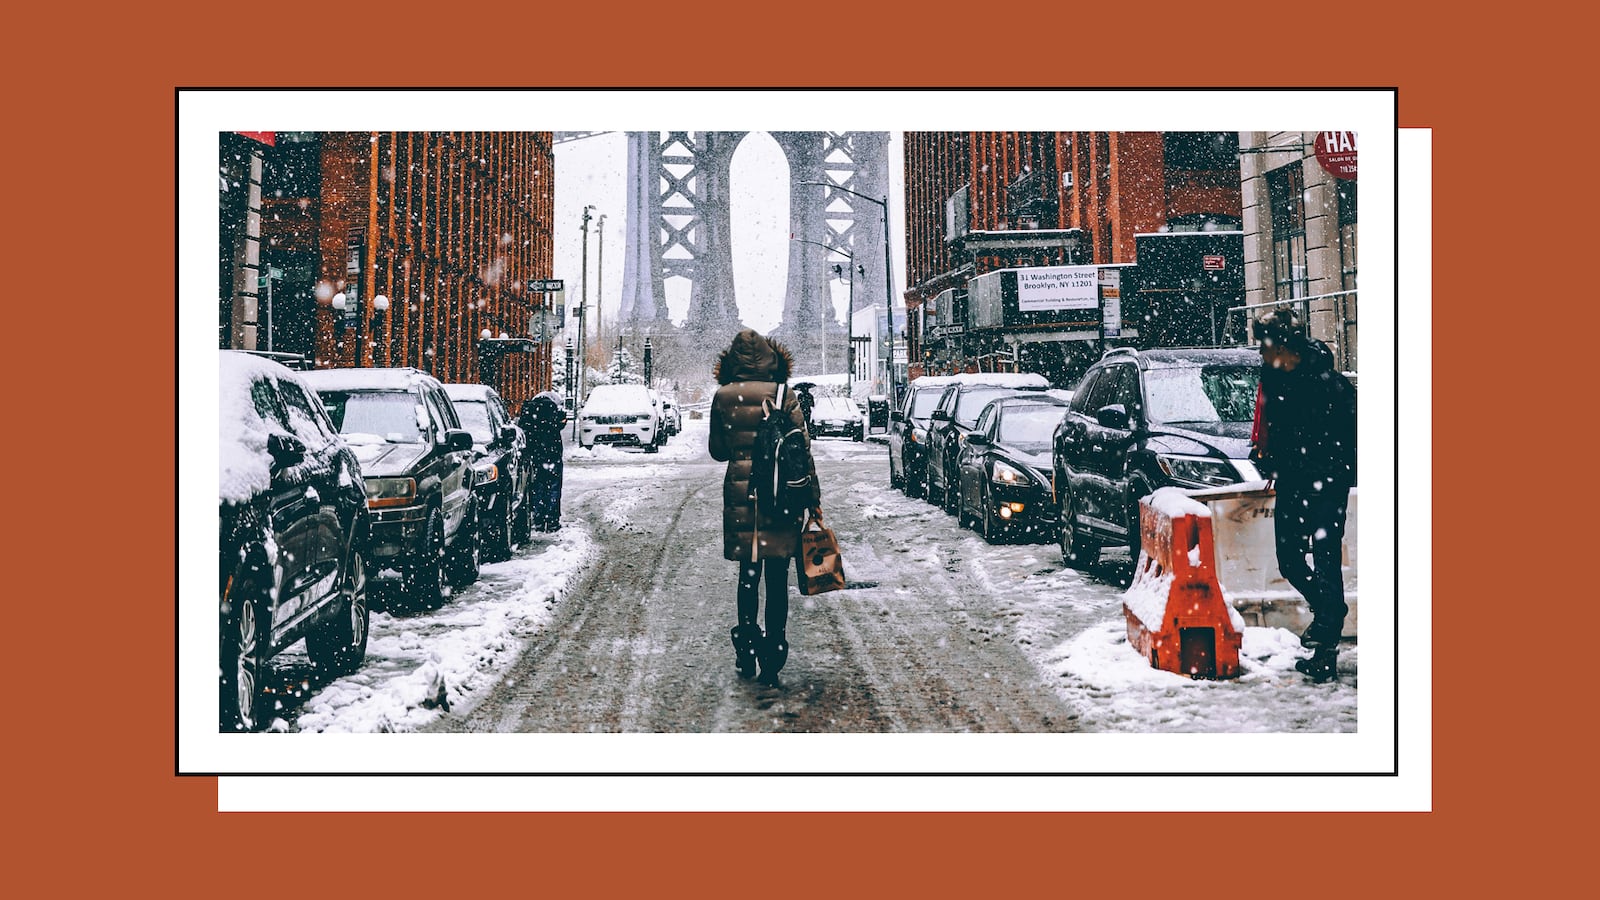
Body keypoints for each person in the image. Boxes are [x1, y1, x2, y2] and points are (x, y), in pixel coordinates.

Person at [708, 329, 822, 685]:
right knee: (777, 579)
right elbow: (802, 451)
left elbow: (718, 451)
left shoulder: (724, 397)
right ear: (773, 358)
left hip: (744, 498)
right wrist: (813, 500)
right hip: (781, 499)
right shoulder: (784, 395)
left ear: (733, 361)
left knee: (748, 576)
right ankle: (773, 651)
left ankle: (746, 647)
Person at [1251, 307, 1357, 683]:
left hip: (1327, 484)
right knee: (1291, 561)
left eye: (1264, 347)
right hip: (1294, 484)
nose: (1261, 355)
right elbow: (1274, 429)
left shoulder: (1330, 383)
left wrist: (1330, 472)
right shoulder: (1273, 378)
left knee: (1327, 561)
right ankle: (1331, 612)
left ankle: (1325, 653)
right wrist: (1268, 459)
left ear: (1283, 345)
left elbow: (1350, 439)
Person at [518, 390, 567, 532]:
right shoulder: (553, 409)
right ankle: (552, 520)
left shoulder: (529, 409)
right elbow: (560, 425)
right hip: (553, 453)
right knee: (554, 486)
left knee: (537, 485)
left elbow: (523, 429)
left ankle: (538, 518)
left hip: (536, 454)